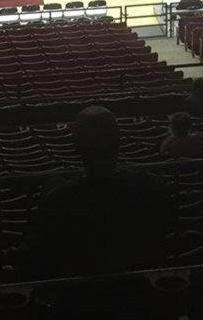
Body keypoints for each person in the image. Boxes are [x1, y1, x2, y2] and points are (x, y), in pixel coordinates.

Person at [22, 107, 172, 276]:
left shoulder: (57, 198)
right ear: (119, 142)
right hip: (142, 290)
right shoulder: (151, 187)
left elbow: (37, 255)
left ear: (76, 146)